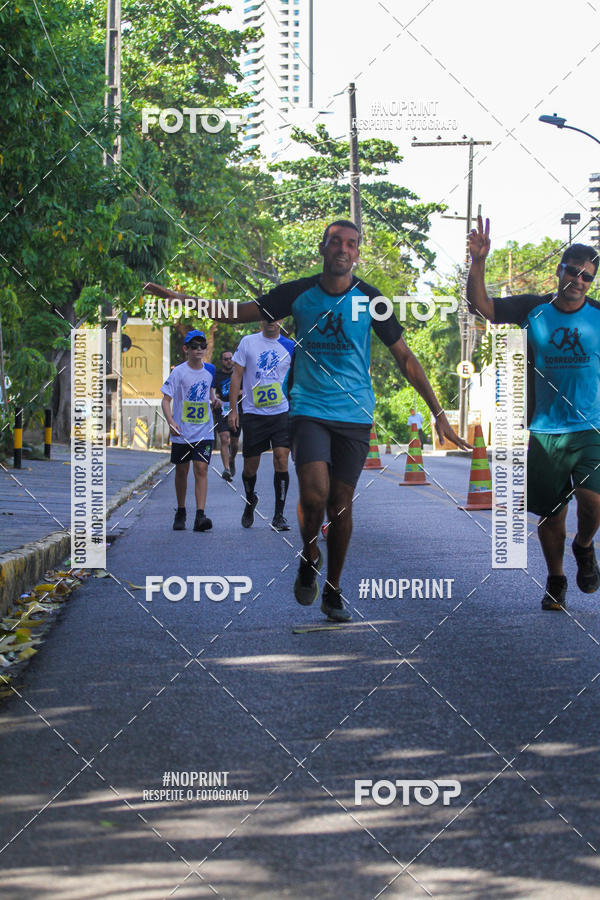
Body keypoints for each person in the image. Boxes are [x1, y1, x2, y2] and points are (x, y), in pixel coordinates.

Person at [145, 220, 468, 621]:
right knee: (314, 496)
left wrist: (439, 413)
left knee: (341, 505)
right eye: (336, 242)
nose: (343, 249)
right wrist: (181, 299)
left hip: (353, 414)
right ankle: (310, 553)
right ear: (323, 248)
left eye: (351, 244)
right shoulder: (298, 294)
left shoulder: (371, 299)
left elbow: (404, 356)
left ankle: (333, 588)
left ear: (357, 253)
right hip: (308, 408)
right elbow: (235, 313)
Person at [467, 215, 600, 610]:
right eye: (573, 271)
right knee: (552, 513)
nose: (578, 280)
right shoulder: (533, 308)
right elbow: (482, 306)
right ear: (559, 271)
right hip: (545, 431)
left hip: (591, 427)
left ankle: (584, 545)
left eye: (587, 276)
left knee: (593, 502)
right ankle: (556, 579)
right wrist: (478, 261)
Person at [227, 319, 295, 531]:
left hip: (281, 412)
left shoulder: (290, 346)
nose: (271, 322)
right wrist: (233, 410)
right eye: (266, 318)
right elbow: (236, 376)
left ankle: (279, 515)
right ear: (260, 320)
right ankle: (250, 499)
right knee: (250, 467)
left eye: (275, 318)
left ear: (281, 320)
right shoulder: (248, 342)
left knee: (281, 458)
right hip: (254, 414)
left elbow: (297, 379)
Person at [160, 330, 216, 532]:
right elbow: (165, 400)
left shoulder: (210, 371)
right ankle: (181, 510)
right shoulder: (179, 372)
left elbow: (210, 394)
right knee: (182, 470)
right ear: (186, 349)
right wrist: (171, 421)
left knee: (201, 469)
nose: (199, 350)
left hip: (204, 431)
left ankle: (200, 515)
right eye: (194, 346)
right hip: (182, 432)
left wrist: (215, 400)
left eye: (202, 346)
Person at [212, 349, 241, 482]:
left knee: (234, 443)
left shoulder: (239, 373)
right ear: (221, 361)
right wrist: (215, 398)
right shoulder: (216, 375)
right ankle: (226, 469)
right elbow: (212, 391)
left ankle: (232, 458)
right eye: (226, 359)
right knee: (225, 439)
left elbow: (247, 388)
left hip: (237, 410)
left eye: (231, 358)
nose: (229, 361)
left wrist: (236, 393)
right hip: (221, 410)